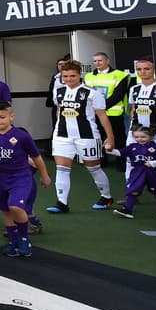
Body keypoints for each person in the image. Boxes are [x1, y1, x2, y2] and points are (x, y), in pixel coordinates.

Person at [0, 101, 51, 258]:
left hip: (20, 176)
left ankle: (24, 238)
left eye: (2, 117)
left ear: (11, 117)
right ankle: (13, 241)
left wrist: (45, 175)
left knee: (15, 206)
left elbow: (36, 157)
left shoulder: (21, 136)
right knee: (6, 210)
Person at [46, 59, 115, 214]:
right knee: (62, 169)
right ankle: (61, 203)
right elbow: (59, 111)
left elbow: (103, 116)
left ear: (79, 75)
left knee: (94, 168)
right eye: (65, 76)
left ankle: (106, 197)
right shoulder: (59, 91)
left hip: (87, 136)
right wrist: (57, 129)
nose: (69, 79)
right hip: (62, 136)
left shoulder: (92, 93)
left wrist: (110, 137)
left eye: (72, 76)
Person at [85, 52, 131, 173]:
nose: (97, 63)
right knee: (98, 138)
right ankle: (102, 162)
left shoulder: (120, 75)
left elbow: (118, 95)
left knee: (119, 139)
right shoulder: (88, 76)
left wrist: (100, 107)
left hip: (114, 114)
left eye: (100, 60)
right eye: (95, 61)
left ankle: (121, 164)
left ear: (107, 61)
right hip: (95, 114)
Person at [114, 127, 156, 220]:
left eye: (143, 137)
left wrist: (153, 163)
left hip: (153, 172)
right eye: (136, 137)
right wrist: (109, 149)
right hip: (138, 171)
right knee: (133, 189)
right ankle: (127, 210)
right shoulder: (132, 147)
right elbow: (120, 152)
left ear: (151, 137)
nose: (139, 139)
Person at [129, 56, 156, 139]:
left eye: (146, 69)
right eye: (139, 69)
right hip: (137, 132)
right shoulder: (134, 89)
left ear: (153, 69)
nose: (142, 72)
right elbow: (133, 109)